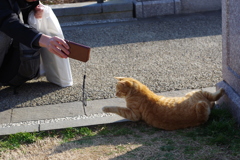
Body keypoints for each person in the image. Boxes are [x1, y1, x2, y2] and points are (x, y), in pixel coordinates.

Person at [0, 0, 70, 89]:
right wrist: (43, 39)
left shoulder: (33, 4)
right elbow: (8, 22)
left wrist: (36, 17)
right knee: (3, 34)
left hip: (11, 63)